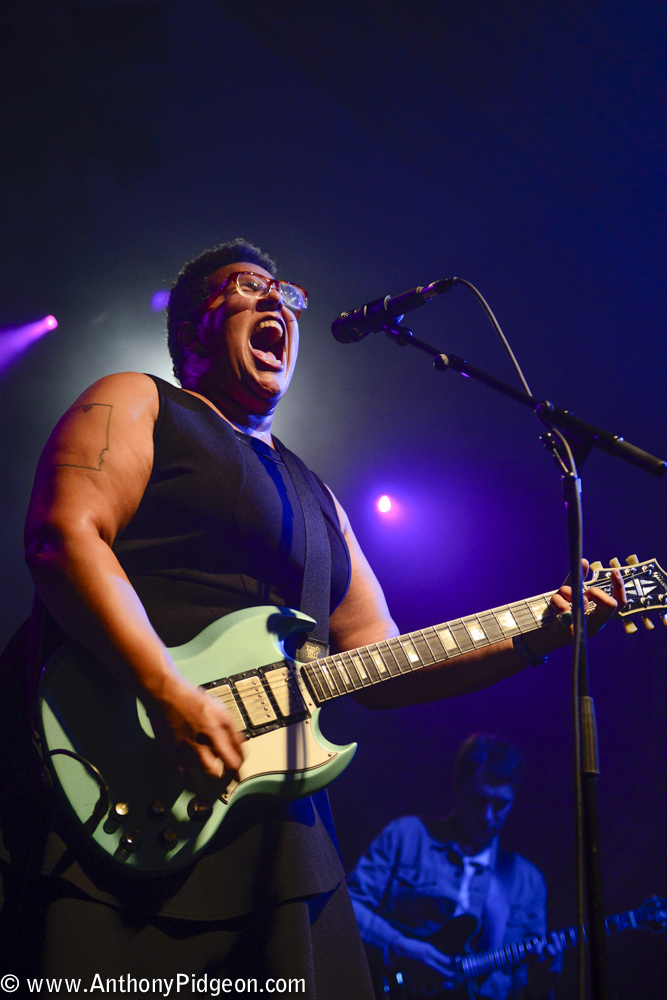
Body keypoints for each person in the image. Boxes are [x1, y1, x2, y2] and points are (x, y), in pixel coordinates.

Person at [0, 239, 623, 995]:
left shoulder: (315, 493)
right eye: (245, 288)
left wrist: (539, 635)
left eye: (283, 293)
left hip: (277, 832)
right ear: (195, 325)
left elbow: (382, 662)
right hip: (121, 776)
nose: (274, 303)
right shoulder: (139, 399)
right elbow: (62, 535)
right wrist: (166, 690)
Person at [347, 734, 563, 1000]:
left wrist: (545, 976)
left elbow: (524, 988)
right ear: (456, 787)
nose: (487, 816)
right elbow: (346, 910)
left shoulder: (528, 882)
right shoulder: (406, 836)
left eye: (500, 804)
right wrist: (397, 946)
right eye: (477, 800)